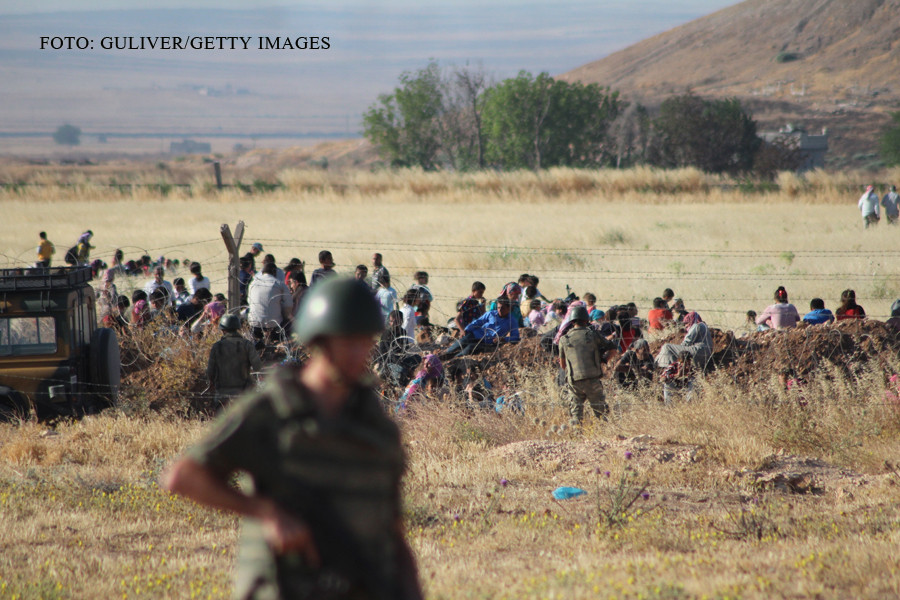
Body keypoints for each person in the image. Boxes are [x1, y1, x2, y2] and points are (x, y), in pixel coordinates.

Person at [161, 278, 423, 600]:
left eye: (365, 342)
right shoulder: (270, 412)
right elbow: (183, 477)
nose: (360, 353)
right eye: (348, 342)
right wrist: (265, 512)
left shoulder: (377, 427)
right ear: (319, 342)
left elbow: (394, 532)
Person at [557, 305, 618, 422]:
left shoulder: (564, 339)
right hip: (593, 379)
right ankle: (603, 437)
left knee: (576, 416)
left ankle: (576, 437)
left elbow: (563, 365)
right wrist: (603, 360)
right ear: (586, 320)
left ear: (572, 321)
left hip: (574, 382)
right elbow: (613, 349)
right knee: (601, 414)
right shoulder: (593, 335)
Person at [204, 313, 262, 408]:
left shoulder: (217, 347)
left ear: (223, 330)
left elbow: (210, 371)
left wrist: (211, 384)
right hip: (243, 392)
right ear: (237, 328)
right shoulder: (247, 345)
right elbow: (258, 367)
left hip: (222, 392)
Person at [440, 298, 520, 360]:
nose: (500, 310)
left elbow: (515, 337)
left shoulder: (512, 321)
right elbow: (478, 322)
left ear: (508, 308)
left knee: (468, 349)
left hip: (488, 342)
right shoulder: (491, 314)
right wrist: (466, 330)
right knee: (461, 343)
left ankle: (453, 359)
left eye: (503, 308)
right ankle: (443, 356)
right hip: (476, 334)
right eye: (498, 307)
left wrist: (503, 339)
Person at [248, 262, 293, 347]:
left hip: (254, 323)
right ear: (275, 272)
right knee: (289, 324)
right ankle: (282, 348)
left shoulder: (252, 284)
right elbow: (288, 305)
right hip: (274, 325)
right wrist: (284, 315)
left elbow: (249, 302)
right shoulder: (279, 284)